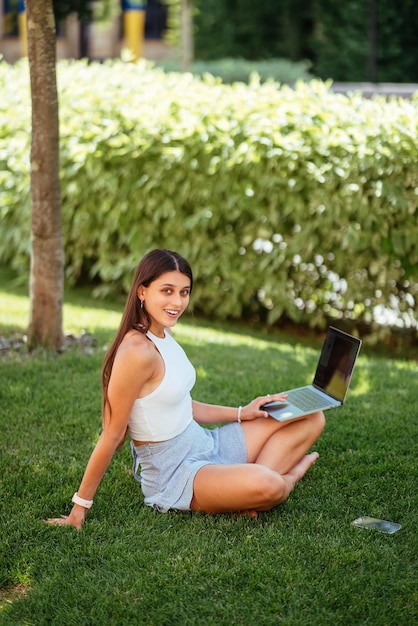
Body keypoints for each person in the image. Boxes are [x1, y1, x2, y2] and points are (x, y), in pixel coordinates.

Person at [47, 249, 325, 529]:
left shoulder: (163, 330)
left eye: (184, 292)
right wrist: (79, 509)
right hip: (177, 472)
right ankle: (288, 476)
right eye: (167, 291)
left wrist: (243, 412)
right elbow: (112, 434)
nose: (177, 302)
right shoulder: (136, 352)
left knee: (312, 415)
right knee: (271, 485)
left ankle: (245, 494)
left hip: (205, 443)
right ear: (142, 291)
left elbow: (181, 403)